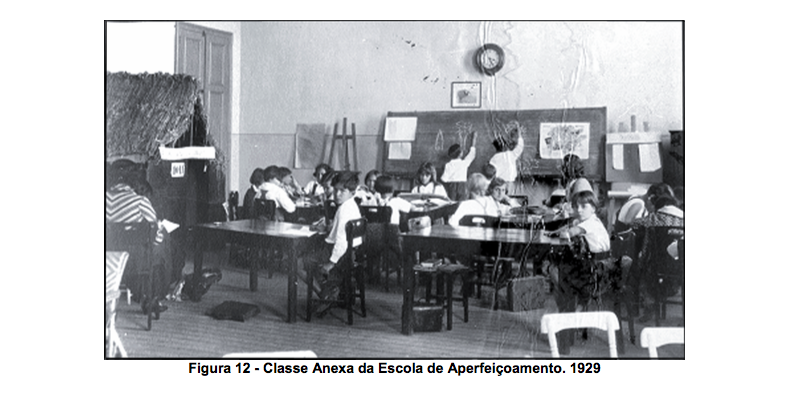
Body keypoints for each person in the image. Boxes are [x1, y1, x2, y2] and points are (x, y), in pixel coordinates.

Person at [547, 189, 614, 354]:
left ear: (594, 208)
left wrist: (560, 231)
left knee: (552, 270)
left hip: (593, 274)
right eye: (576, 206)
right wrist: (559, 231)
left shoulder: (589, 223)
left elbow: (569, 233)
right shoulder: (594, 221)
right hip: (600, 269)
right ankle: (576, 309)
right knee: (559, 268)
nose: (579, 210)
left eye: (584, 206)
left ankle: (568, 317)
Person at [105, 159, 171, 313]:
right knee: (163, 243)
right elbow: (155, 233)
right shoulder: (140, 201)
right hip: (135, 263)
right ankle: (153, 297)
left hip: (108, 261)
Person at [630, 192, 684, 322]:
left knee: (643, 268)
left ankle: (650, 310)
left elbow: (634, 224)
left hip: (659, 267)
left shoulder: (653, 218)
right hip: (682, 266)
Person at [314, 171, 363, 299]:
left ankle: (327, 292)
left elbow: (341, 242)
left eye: (342, 191)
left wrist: (331, 263)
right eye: (335, 190)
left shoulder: (343, 210)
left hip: (341, 257)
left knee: (301, 262)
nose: (337, 194)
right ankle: (331, 288)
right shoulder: (351, 205)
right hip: (352, 253)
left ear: (352, 192)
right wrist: (329, 227)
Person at [441, 132, 477, 201]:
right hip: (462, 186)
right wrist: (474, 138)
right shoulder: (464, 163)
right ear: (460, 154)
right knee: (461, 205)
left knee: (451, 204)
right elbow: (472, 154)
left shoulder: (448, 165)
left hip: (451, 186)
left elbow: (444, 179)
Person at [488, 126, 524, 192]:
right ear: (505, 146)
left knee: (501, 199)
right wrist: (519, 136)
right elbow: (520, 147)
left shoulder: (493, 158)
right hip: (510, 182)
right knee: (509, 198)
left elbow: (491, 172)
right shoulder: (510, 154)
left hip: (499, 183)